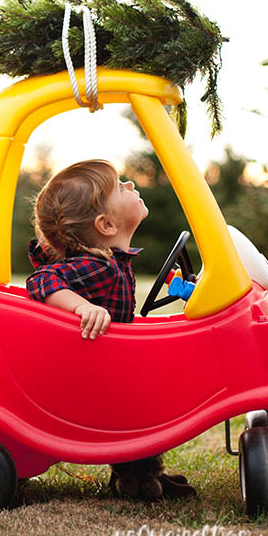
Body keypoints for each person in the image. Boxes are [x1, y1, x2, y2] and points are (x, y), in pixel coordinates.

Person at [26, 159, 197, 501]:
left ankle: (138, 475)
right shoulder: (97, 264)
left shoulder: (111, 260)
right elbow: (40, 280)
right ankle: (139, 475)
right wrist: (82, 307)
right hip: (92, 378)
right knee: (143, 399)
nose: (131, 186)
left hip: (109, 367)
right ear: (105, 224)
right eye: (120, 187)